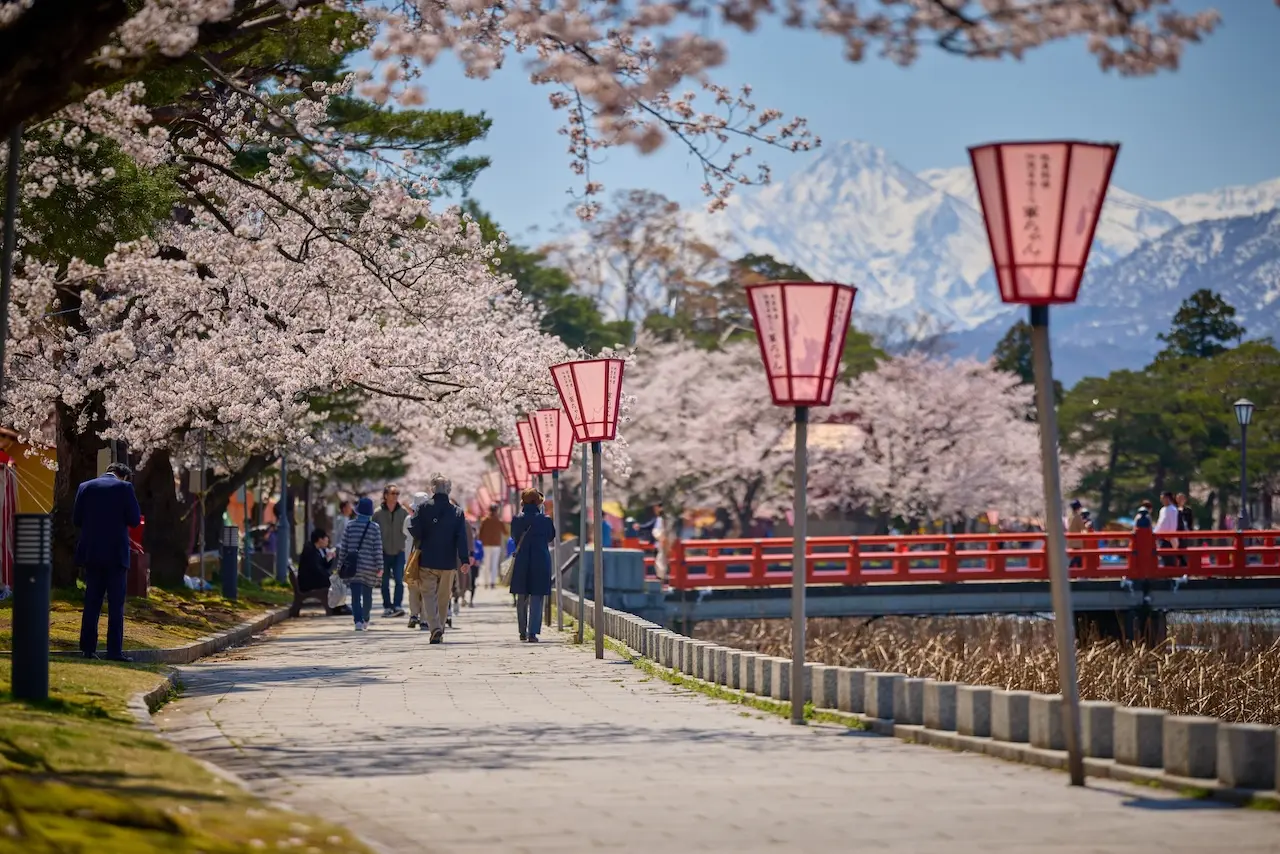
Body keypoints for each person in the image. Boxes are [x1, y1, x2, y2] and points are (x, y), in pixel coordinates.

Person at [73, 462, 143, 661]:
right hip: (115, 554)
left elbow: (77, 520)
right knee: (115, 604)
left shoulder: (85, 487)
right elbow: (135, 519)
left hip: (92, 552)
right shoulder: (125, 488)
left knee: (91, 602)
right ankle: (114, 651)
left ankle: (87, 649)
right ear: (124, 476)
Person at [410, 474, 470, 644]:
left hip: (427, 558)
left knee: (428, 595)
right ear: (449, 490)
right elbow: (461, 537)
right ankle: (440, 628)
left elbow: (415, 530)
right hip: (448, 562)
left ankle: (435, 627)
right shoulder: (457, 512)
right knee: (444, 597)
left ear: (432, 489)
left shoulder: (422, 508)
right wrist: (464, 560)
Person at [510, 488, 556, 643]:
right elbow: (551, 537)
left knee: (521, 596)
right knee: (537, 597)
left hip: (522, 560)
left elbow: (514, 537)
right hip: (540, 561)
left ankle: (522, 631)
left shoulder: (517, 519)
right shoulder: (545, 520)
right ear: (538, 503)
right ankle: (532, 632)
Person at [337, 497, 383, 631]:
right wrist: (380, 567)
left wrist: (340, 566)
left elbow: (344, 548)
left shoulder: (350, 526)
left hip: (354, 567)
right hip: (370, 567)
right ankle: (366, 617)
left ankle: (357, 621)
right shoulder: (375, 527)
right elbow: (378, 549)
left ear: (357, 512)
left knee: (355, 596)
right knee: (368, 596)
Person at [372, 484, 409, 618]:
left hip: (399, 551)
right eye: (393, 493)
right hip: (383, 552)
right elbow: (372, 532)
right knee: (385, 581)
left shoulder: (403, 512)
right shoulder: (378, 513)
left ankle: (397, 605)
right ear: (386, 495)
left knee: (399, 580)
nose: (395, 496)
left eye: (397, 493)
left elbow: (408, 529)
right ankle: (387, 606)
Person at [403, 492, 430, 629]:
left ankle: (414, 614)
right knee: (426, 588)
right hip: (427, 558)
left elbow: (405, 535)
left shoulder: (409, 519)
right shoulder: (431, 520)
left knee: (412, 587)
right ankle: (424, 619)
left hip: (411, 557)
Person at [298, 528, 336, 609]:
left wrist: (329, 558)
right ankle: (339, 607)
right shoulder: (310, 551)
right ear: (320, 539)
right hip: (308, 583)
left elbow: (322, 566)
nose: (327, 540)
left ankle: (339, 607)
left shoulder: (315, 550)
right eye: (326, 538)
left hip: (311, 581)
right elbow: (317, 569)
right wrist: (329, 577)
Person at [478, 504, 508, 589]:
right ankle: (492, 583)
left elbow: (480, 534)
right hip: (496, 545)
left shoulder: (485, 520)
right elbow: (505, 532)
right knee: (494, 564)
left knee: (486, 564)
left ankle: (486, 582)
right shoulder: (499, 520)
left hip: (486, 544)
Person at [1154, 491, 1179, 566]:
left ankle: (1171, 572)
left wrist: (1170, 535)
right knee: (1162, 555)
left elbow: (1173, 524)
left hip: (1168, 537)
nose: (1161, 500)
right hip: (1161, 536)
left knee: (1169, 556)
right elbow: (1160, 523)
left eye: (1163, 498)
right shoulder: (1162, 510)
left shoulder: (1173, 509)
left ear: (1168, 498)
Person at [1066, 499, 1085, 568]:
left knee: (1078, 558)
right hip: (1077, 541)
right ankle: (1069, 570)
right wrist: (1086, 524)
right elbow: (1082, 527)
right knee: (1077, 557)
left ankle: (1081, 574)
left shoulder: (1070, 517)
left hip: (1071, 540)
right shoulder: (1077, 517)